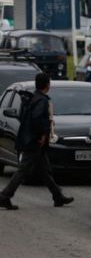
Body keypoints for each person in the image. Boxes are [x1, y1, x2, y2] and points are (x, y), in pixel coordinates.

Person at [0, 73, 74, 210]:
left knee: (45, 170)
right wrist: (42, 135)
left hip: (31, 140)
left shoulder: (34, 97)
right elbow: (38, 119)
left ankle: (58, 197)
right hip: (35, 142)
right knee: (23, 170)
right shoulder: (42, 101)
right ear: (47, 85)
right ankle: (4, 197)